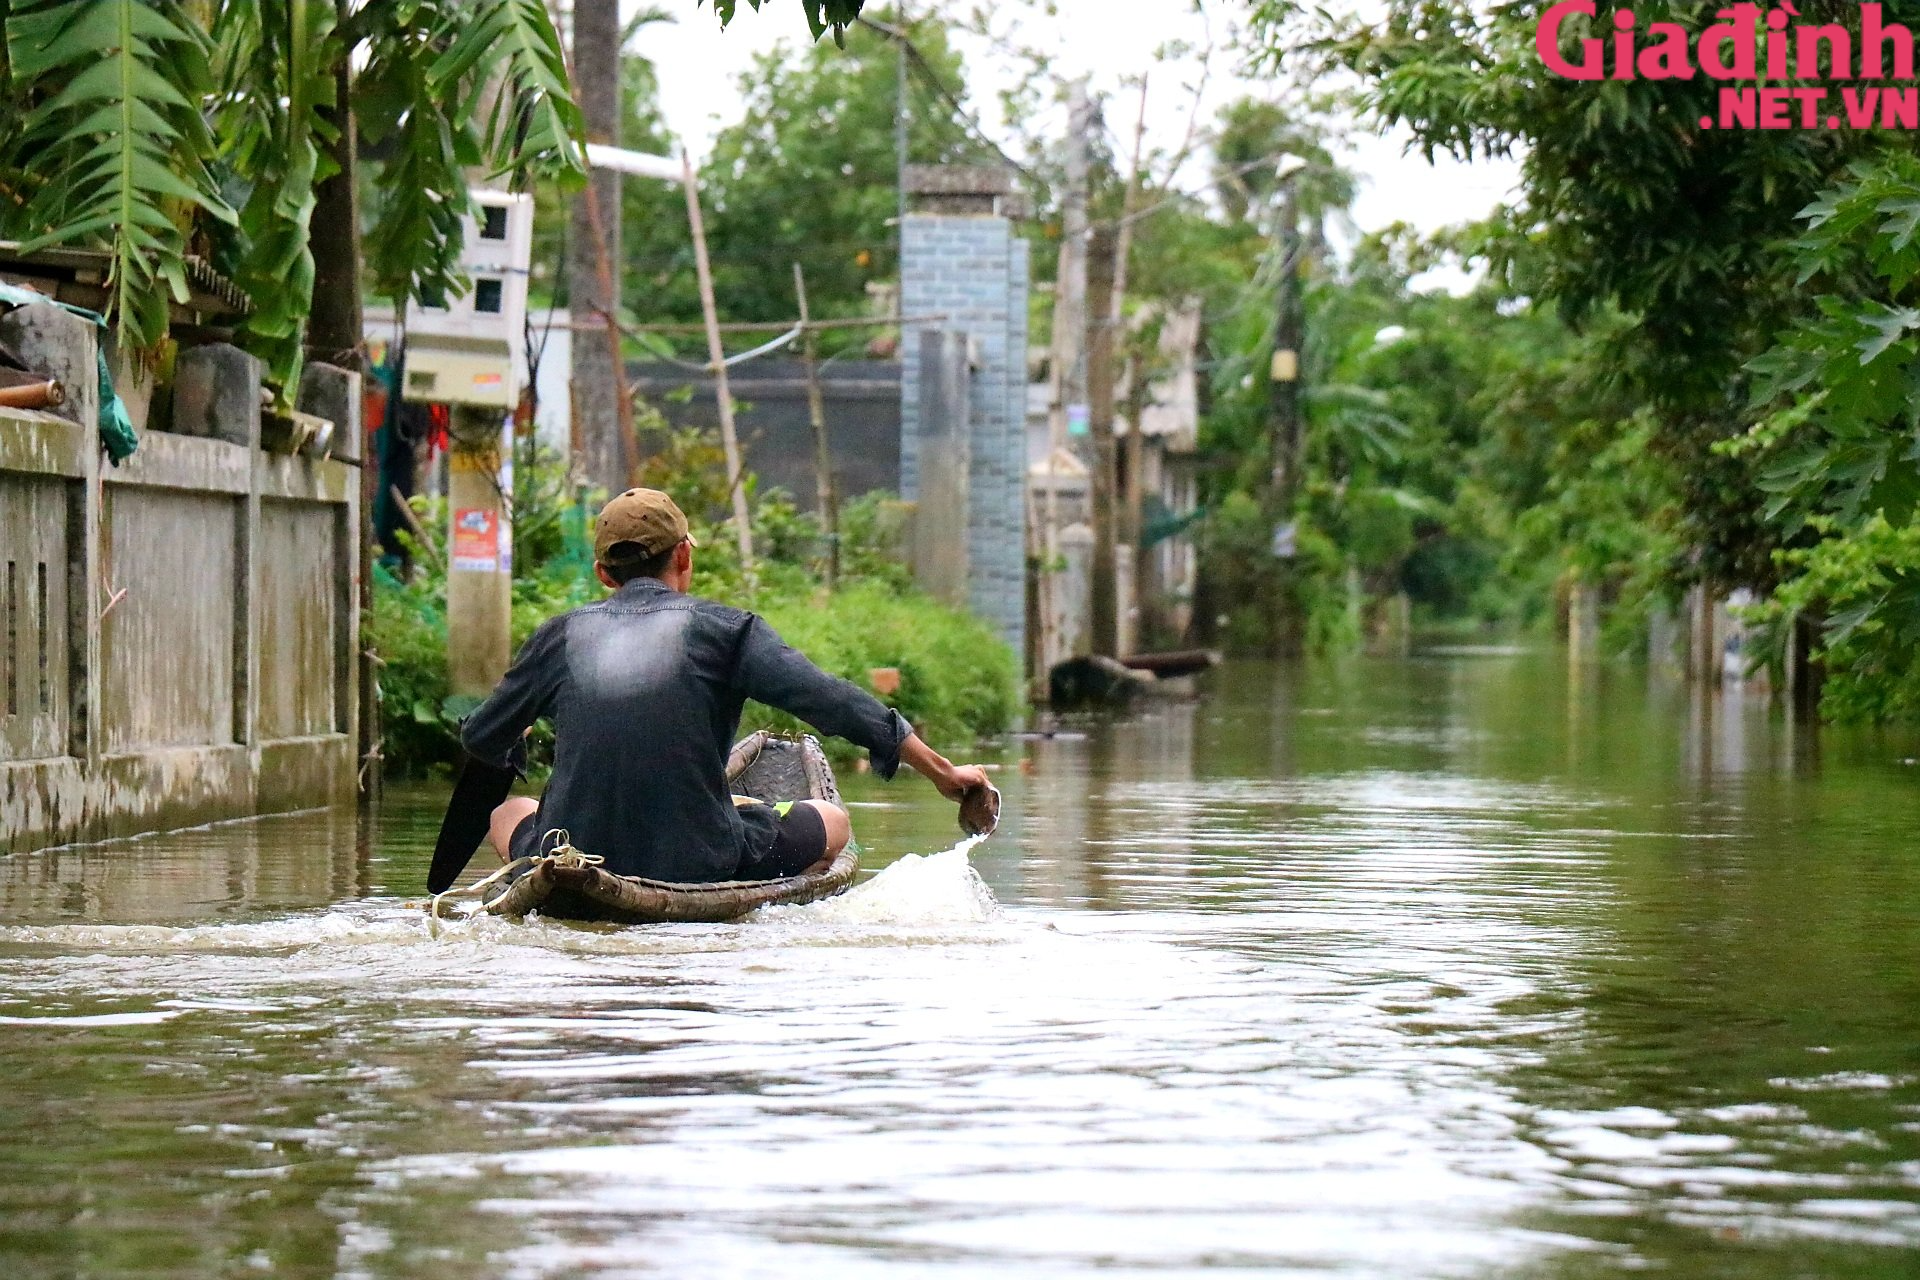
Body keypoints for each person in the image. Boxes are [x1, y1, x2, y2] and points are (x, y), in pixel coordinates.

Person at [457, 487, 991, 883]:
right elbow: (831, 701)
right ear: (685, 556)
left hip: (572, 850)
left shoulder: (559, 636)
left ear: (603, 574)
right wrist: (944, 773)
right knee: (833, 820)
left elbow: (482, 736)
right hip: (699, 858)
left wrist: (517, 738)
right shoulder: (728, 632)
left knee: (507, 811)